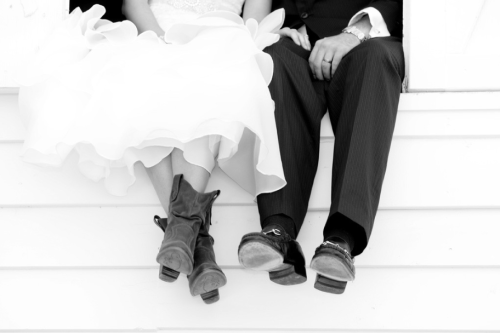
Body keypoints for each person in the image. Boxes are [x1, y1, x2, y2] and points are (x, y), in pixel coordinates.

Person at [15, 0, 303, 304]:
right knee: (146, 81)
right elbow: (134, 4)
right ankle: (192, 237)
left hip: (223, 41)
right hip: (157, 32)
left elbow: (252, 22)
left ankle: (185, 235)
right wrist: (165, 44)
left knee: (214, 86)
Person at [237, 0, 405, 294]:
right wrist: (278, 27)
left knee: (376, 59)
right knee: (273, 59)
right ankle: (279, 230)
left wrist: (356, 32)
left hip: (368, 38)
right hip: (296, 40)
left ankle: (341, 239)